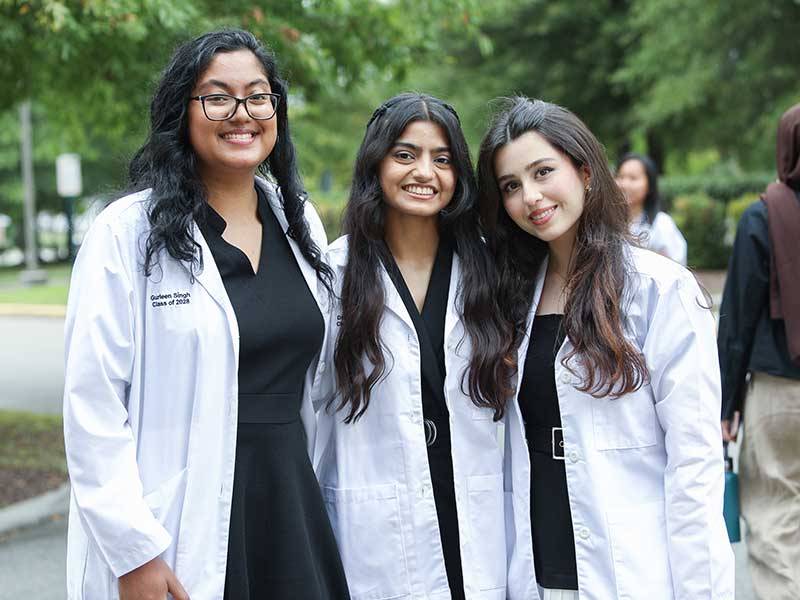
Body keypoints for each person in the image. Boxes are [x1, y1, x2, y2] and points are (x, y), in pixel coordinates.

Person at [62, 30, 349, 600]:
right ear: (182, 112)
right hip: (175, 520)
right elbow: (92, 404)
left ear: (276, 111)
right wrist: (134, 551)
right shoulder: (127, 232)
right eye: (216, 97)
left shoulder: (300, 225)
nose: (241, 113)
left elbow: (322, 384)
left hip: (289, 501)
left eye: (258, 96)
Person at [476, 97, 734, 600]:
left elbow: (695, 464)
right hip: (538, 570)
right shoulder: (511, 296)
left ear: (586, 171)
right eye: (511, 186)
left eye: (543, 172)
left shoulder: (658, 290)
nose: (530, 196)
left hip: (633, 571)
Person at [313, 93, 514, 600]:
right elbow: (307, 411)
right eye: (405, 155)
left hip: (475, 508)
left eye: (442, 159)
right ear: (376, 162)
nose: (424, 171)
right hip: (379, 524)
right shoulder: (331, 276)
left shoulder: (491, 273)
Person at [718, 103, 800, 600]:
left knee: (775, 517)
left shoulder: (762, 217)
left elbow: (737, 321)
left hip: (779, 394)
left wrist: (725, 403)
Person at [615, 152, 687, 265]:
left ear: (649, 185)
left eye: (633, 178)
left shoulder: (662, 224)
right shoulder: (606, 221)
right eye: (620, 177)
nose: (624, 184)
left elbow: (676, 267)